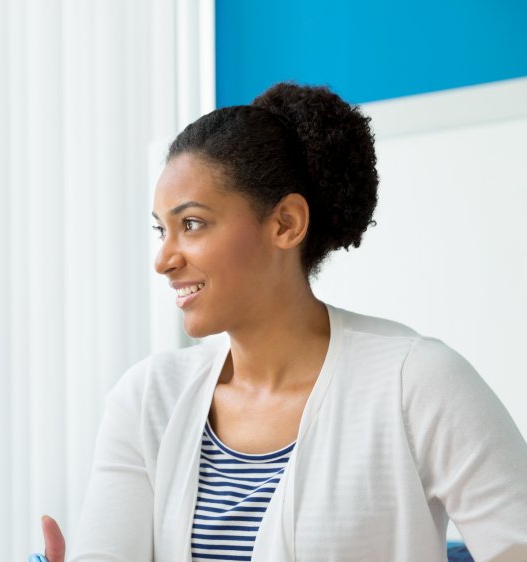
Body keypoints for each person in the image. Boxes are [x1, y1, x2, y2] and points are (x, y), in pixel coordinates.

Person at [36, 83, 527, 561]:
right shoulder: (147, 399)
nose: (163, 259)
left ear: (286, 223)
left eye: (191, 224)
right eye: (160, 230)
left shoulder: (416, 382)